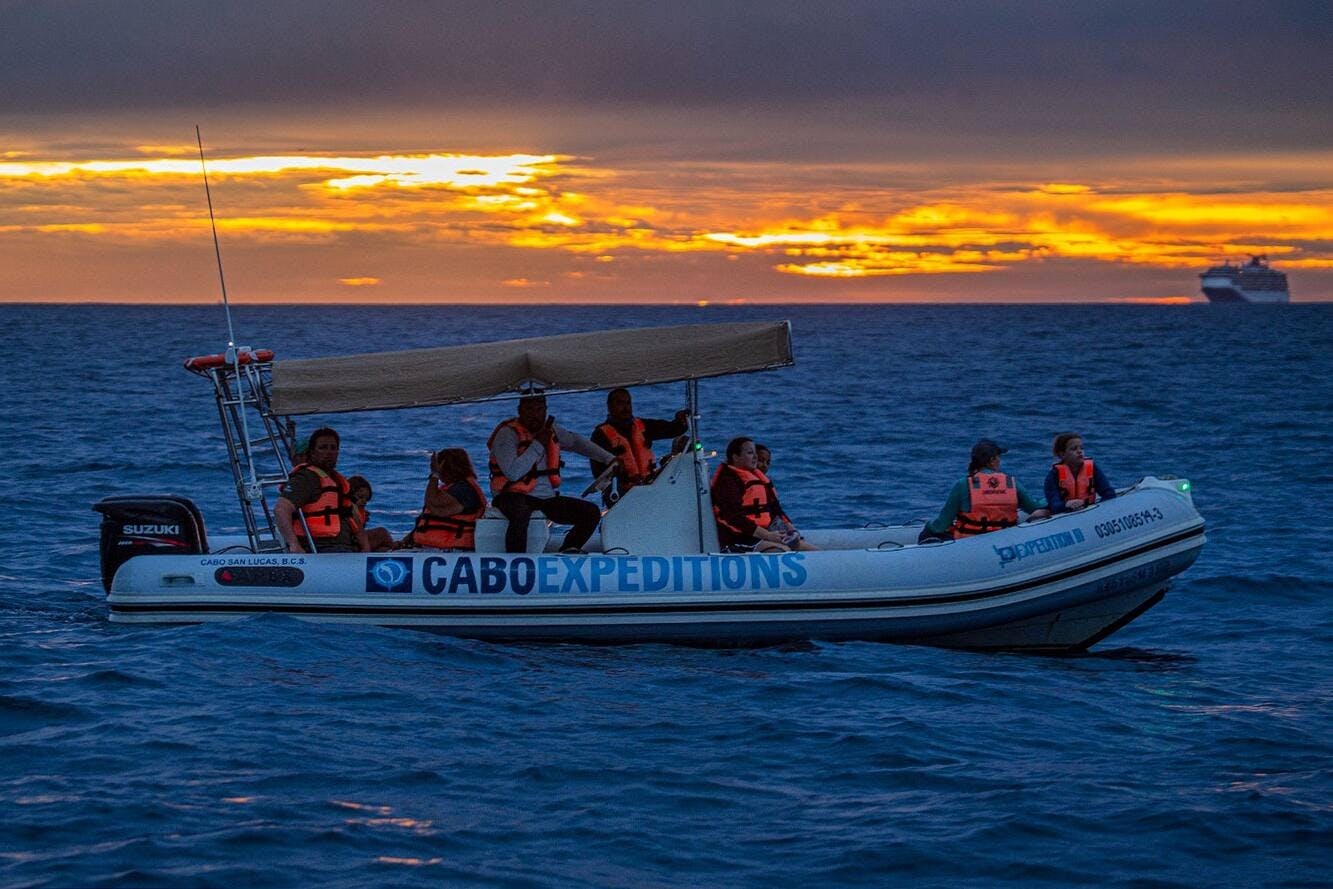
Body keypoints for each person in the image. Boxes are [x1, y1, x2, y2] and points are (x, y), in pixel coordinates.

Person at [488, 394, 617, 553]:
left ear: (545, 411)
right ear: (520, 410)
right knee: (520, 515)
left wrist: (608, 459)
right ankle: (516, 561)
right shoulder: (507, 434)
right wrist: (538, 444)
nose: (535, 415)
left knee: (590, 512)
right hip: (511, 495)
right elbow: (513, 473)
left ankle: (568, 550)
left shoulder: (551, 430)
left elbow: (575, 442)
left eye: (539, 410)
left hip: (545, 498)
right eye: (529, 410)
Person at [918, 438, 1050, 543]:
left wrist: (929, 525)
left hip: (969, 540)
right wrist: (1054, 500)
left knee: (928, 533)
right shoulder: (1011, 483)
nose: (1000, 461)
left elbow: (942, 524)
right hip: (1005, 539)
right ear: (992, 460)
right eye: (999, 457)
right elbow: (1033, 507)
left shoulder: (963, 484)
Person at [711, 436, 816, 552]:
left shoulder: (755, 478)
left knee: (809, 549)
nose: (756, 457)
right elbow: (734, 518)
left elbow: (775, 509)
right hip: (737, 539)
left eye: (755, 453)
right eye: (750, 453)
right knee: (782, 551)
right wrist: (767, 535)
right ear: (735, 457)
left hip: (758, 535)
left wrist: (791, 530)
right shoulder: (727, 482)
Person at [589, 388, 690, 504]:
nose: (626, 408)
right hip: (621, 495)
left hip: (650, 487)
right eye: (620, 403)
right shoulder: (600, 435)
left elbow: (671, 429)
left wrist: (682, 421)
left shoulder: (642, 426)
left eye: (628, 403)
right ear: (609, 406)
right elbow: (598, 473)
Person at [274, 427, 364, 553]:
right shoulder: (306, 478)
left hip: (345, 546)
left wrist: (366, 549)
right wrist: (294, 545)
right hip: (321, 549)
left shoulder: (337, 480)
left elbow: (354, 519)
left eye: (333, 448)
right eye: (323, 447)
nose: (329, 452)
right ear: (312, 452)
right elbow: (281, 509)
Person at [411, 448, 488, 550]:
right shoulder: (449, 489)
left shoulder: (464, 490)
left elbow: (433, 503)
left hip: (452, 549)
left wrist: (435, 475)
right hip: (431, 546)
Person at [1044, 432, 1116, 513]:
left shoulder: (1092, 468)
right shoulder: (1054, 475)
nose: (1079, 451)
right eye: (1074, 449)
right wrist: (1066, 505)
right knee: (1038, 514)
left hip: (1088, 508)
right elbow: (1054, 504)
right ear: (1062, 454)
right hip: (1064, 511)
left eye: (1081, 448)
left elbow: (1108, 493)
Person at [346, 476, 395, 552]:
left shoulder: (362, 512)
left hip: (355, 543)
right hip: (351, 544)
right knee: (381, 532)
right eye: (360, 497)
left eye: (366, 499)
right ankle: (394, 548)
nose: (364, 501)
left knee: (383, 549)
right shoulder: (348, 509)